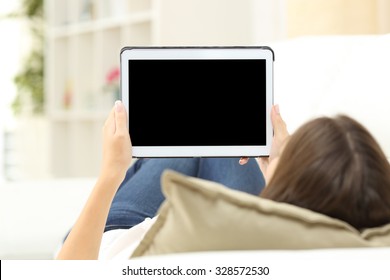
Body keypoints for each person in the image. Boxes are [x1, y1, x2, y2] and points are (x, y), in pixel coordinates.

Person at [56, 101, 390, 260]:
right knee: (223, 147)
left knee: (186, 147)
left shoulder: (160, 238)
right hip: (236, 223)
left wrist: (110, 172)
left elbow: (69, 270)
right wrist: (275, 172)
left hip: (116, 235)